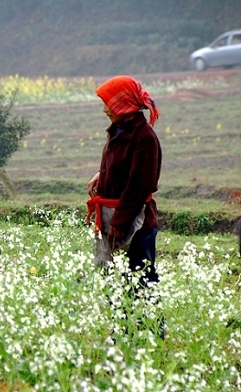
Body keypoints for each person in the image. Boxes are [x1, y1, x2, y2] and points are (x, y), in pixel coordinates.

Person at [85, 75, 163, 337]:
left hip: (135, 222)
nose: (105, 109)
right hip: (115, 217)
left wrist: (118, 225)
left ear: (122, 106)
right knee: (119, 278)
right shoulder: (119, 130)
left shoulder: (144, 138)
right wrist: (101, 174)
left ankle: (151, 332)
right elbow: (118, 164)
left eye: (108, 104)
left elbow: (139, 187)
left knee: (141, 278)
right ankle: (124, 331)